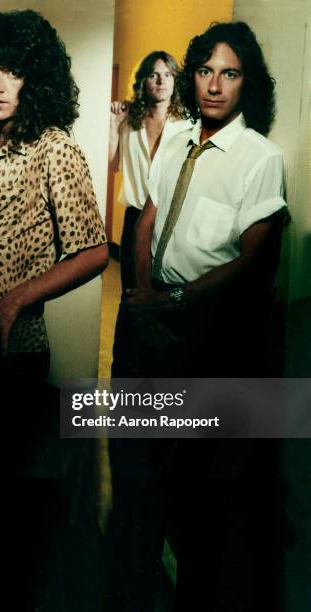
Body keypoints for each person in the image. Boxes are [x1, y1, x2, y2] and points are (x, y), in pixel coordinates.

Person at [105, 22, 287, 612]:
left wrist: (175, 304)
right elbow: (146, 221)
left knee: (197, 489)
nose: (214, 85)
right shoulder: (177, 136)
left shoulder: (260, 158)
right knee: (131, 467)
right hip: (142, 320)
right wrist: (139, 296)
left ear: (247, 83)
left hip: (202, 336)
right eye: (205, 70)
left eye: (229, 73)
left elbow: (253, 262)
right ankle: (128, 586)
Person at [0, 9, 109, 610]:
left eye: (12, 71)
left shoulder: (55, 149)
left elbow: (93, 251)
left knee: (6, 513)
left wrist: (15, 301)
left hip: (12, 360)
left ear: (33, 79)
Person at [109, 50, 189, 292]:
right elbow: (113, 165)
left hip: (172, 218)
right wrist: (113, 126)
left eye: (168, 74)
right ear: (143, 80)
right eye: (154, 75)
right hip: (135, 217)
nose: (161, 81)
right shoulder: (128, 121)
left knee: (163, 292)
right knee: (132, 293)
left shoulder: (188, 125)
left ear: (175, 80)